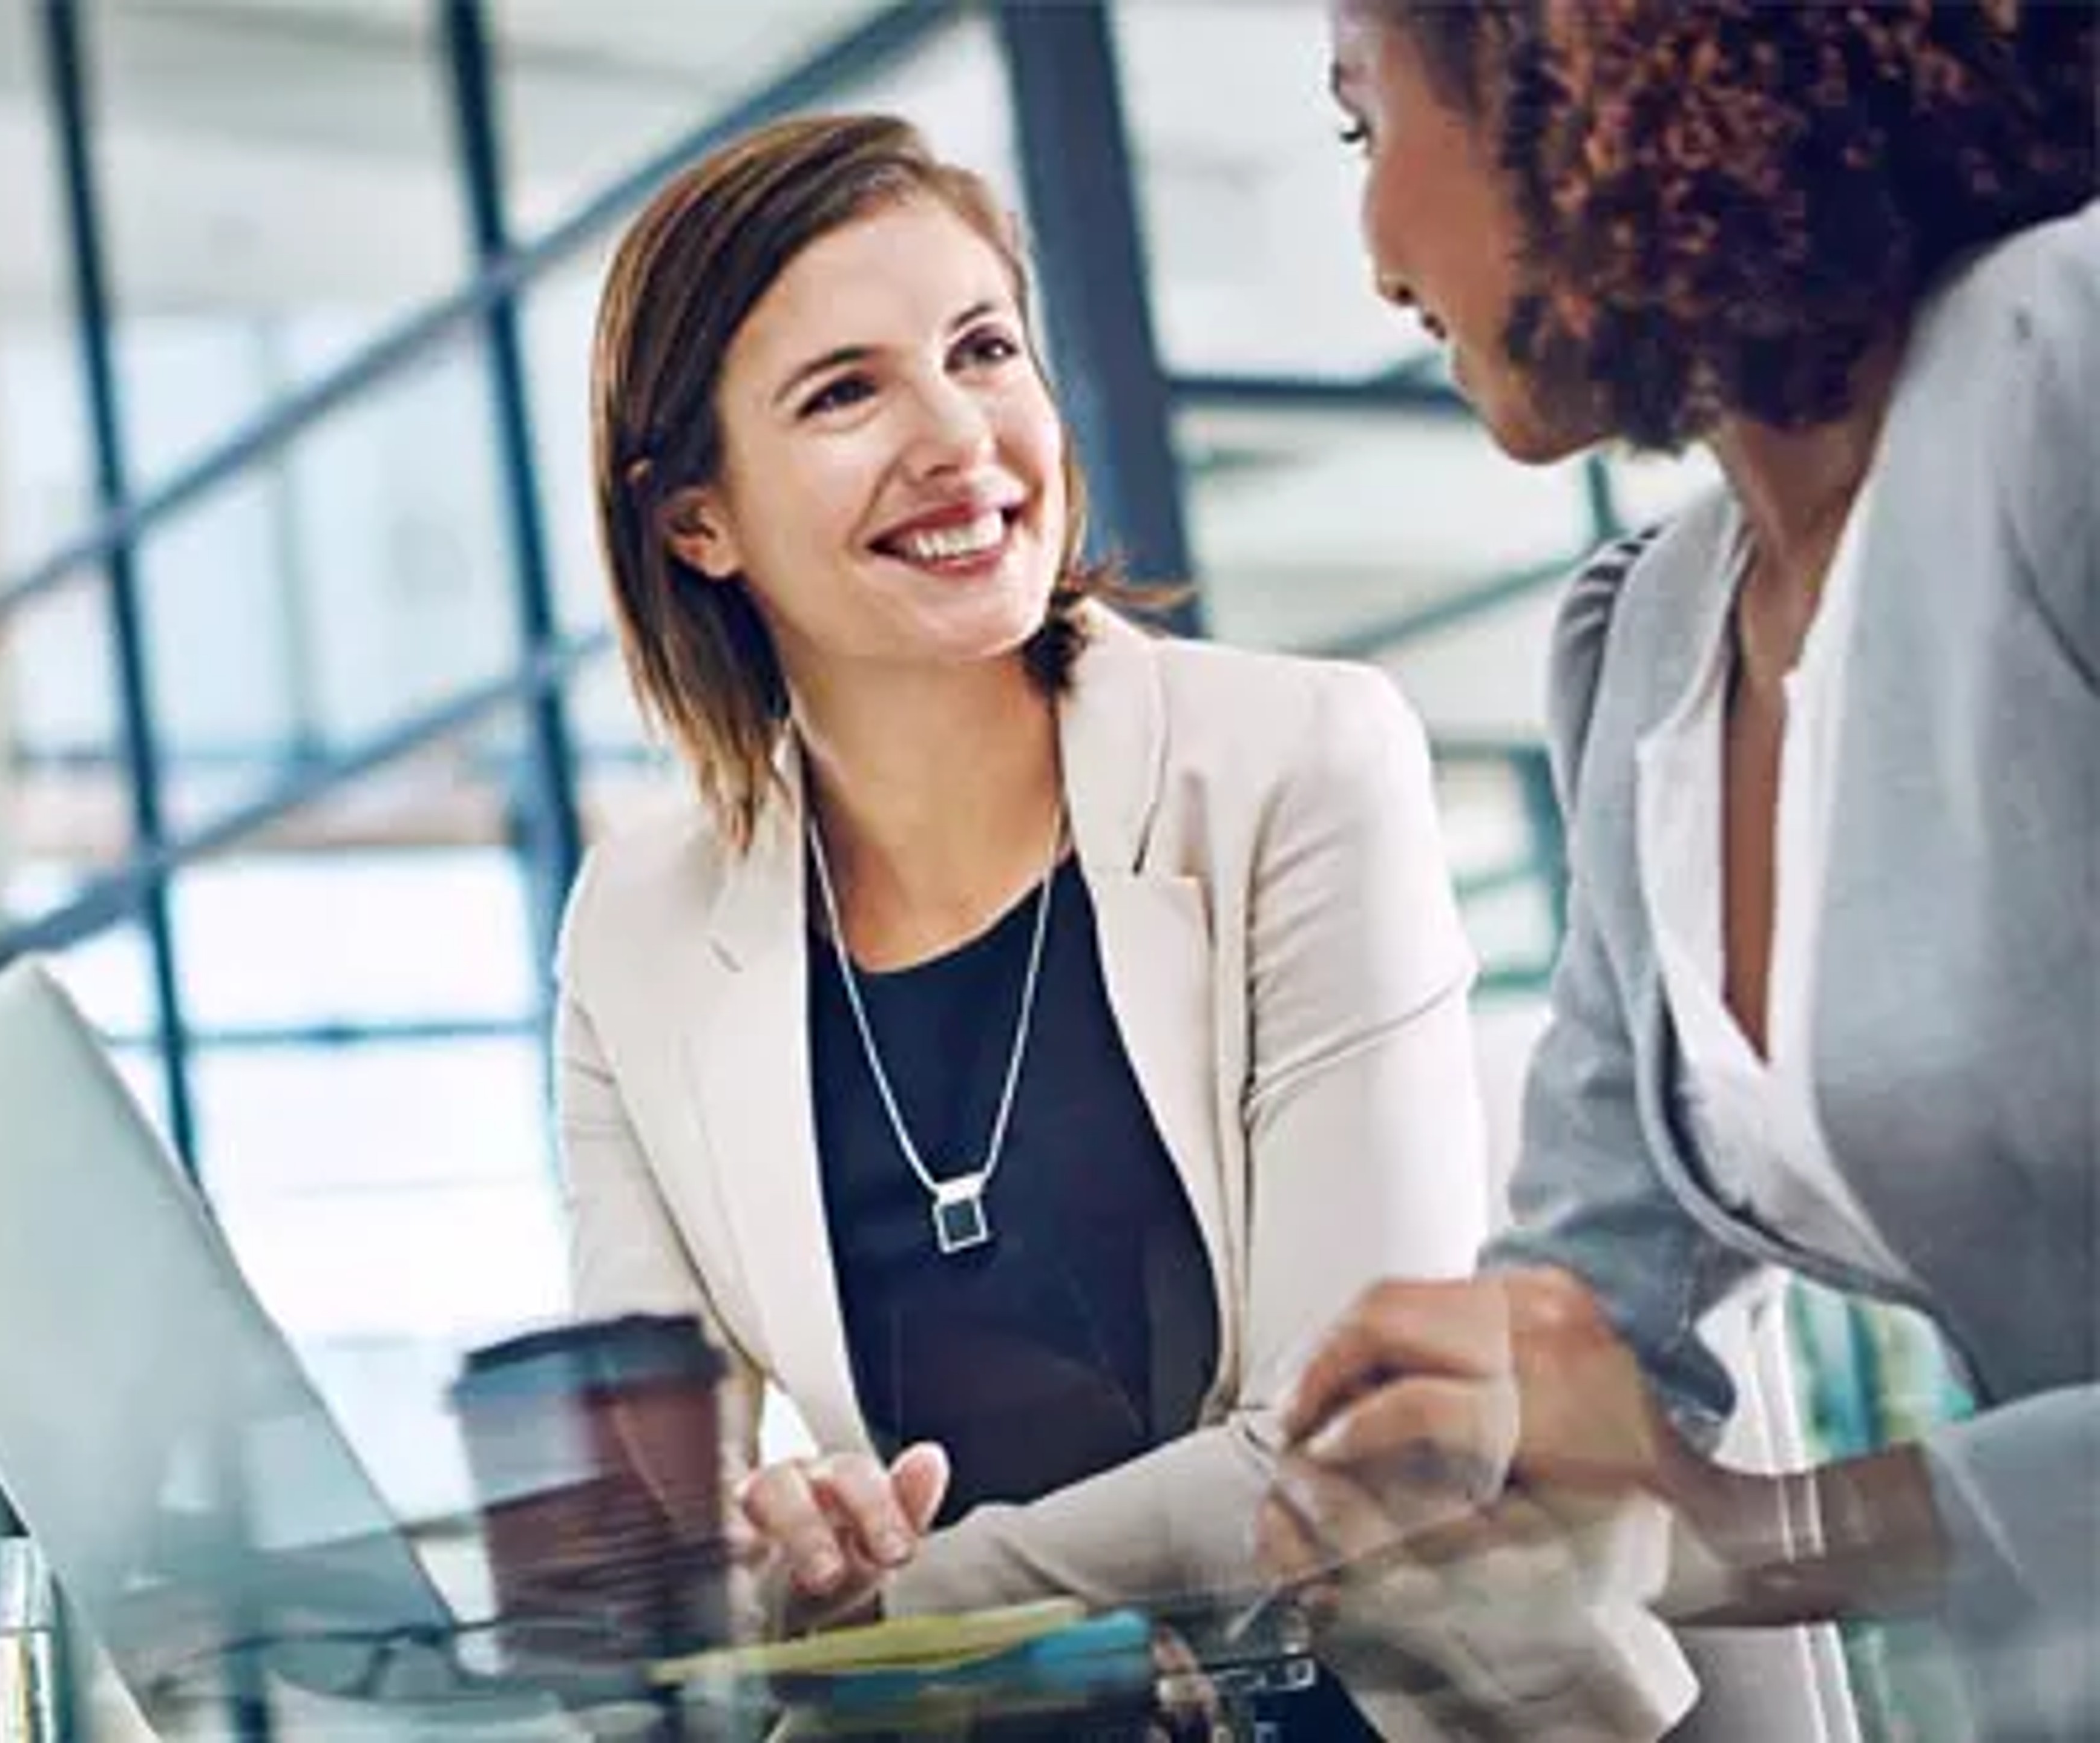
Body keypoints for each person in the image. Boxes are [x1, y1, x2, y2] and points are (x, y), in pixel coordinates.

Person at [555, 113, 1687, 1736]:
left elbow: (1358, 1447)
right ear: (696, 524)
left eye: (984, 348)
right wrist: (770, 1568)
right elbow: (648, 1560)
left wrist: (896, 1609)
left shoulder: (1299, 758)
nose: (958, 434)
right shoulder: (640, 934)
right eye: (846, 392)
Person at [1265, 3, 2097, 1737]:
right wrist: (1449, 1464)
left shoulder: (2068, 371)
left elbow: (1706, 1520)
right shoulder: (1654, 637)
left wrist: (1757, 1535)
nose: (1370, 255)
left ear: (1567, 76)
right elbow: (1587, 1313)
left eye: (1366, 131)